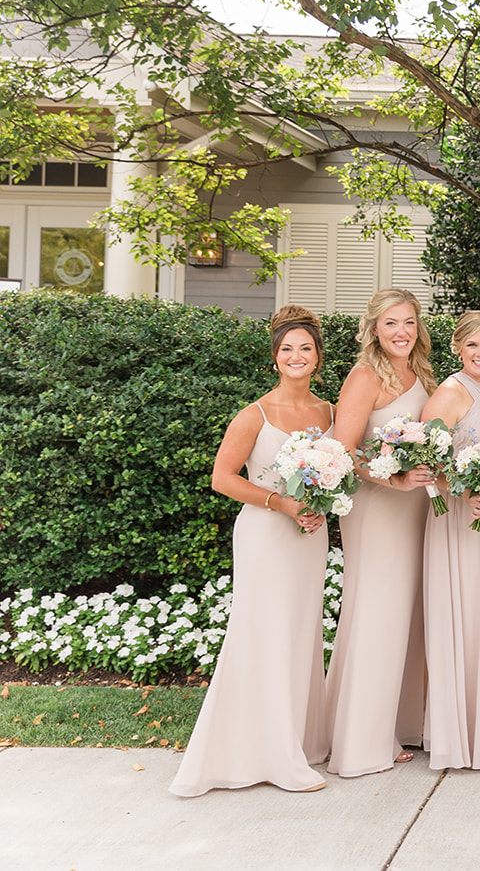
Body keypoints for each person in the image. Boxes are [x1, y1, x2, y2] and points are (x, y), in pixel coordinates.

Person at [171, 306, 334, 796]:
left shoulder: (329, 412)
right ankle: (264, 754)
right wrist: (280, 502)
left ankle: (297, 742)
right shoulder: (255, 415)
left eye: (305, 348)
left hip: (309, 535)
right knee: (263, 631)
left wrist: (322, 501)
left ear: (318, 356)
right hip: (265, 534)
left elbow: (339, 468)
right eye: (287, 349)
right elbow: (222, 479)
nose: (296, 356)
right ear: (274, 357)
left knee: (300, 630)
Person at [325, 288, 436, 778]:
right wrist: (390, 477)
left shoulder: (424, 376)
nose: (401, 332)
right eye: (391, 323)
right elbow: (342, 449)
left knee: (407, 616)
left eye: (409, 322)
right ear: (374, 329)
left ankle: (400, 722)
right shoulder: (365, 377)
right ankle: (362, 739)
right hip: (376, 509)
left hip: (416, 507)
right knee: (378, 614)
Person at [419, 310, 480, 771]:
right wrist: (465, 493)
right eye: (473, 345)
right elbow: (428, 465)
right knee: (465, 618)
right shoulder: (447, 394)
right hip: (460, 519)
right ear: (458, 348)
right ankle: (462, 736)